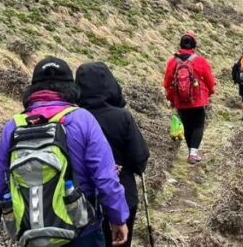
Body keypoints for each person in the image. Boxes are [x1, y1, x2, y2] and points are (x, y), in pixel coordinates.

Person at [0, 57, 129, 247]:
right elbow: (105, 178)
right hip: (82, 230)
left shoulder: (14, 126)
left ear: (33, 89)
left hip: (32, 234)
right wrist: (118, 218)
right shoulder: (83, 119)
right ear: (70, 87)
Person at [76, 62, 150, 247]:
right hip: (123, 193)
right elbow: (139, 158)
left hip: (83, 198)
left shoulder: (72, 119)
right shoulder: (121, 116)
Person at [163, 31, 216, 164]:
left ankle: (190, 152)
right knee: (198, 124)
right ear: (194, 46)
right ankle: (193, 153)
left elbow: (167, 83)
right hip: (197, 99)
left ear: (180, 45)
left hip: (180, 99)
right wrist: (210, 91)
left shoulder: (172, 61)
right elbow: (209, 79)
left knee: (187, 125)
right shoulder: (199, 60)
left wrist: (170, 97)